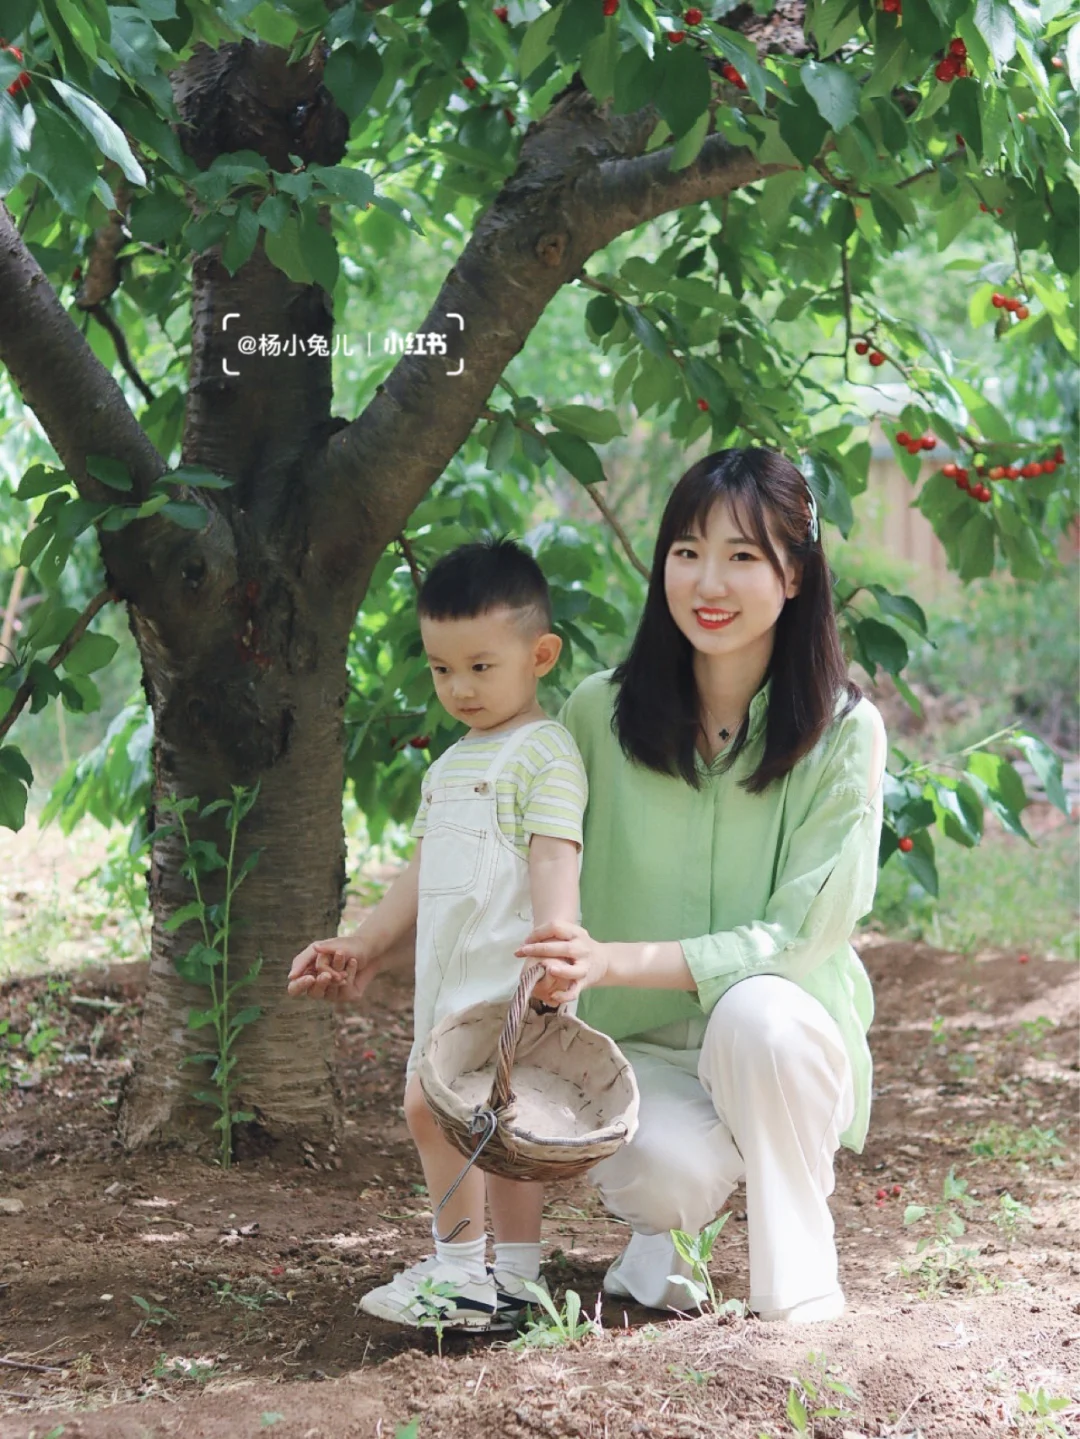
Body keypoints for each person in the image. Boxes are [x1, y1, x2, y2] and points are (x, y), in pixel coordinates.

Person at [518, 446, 887, 1324]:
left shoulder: (845, 731)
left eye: (742, 555)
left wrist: (610, 959)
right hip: (640, 1053)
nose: (708, 582)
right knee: (664, 1172)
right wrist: (371, 941)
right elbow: (507, 828)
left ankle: (798, 1278)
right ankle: (665, 1236)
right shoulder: (597, 714)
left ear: (794, 574)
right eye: (687, 551)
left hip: (781, 1038)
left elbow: (796, 938)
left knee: (756, 1014)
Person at [287, 537, 587, 1332]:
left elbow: (555, 855)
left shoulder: (546, 753)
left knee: (438, 1106)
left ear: (541, 654)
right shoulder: (448, 764)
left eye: (481, 666)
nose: (460, 687)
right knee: (488, 1124)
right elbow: (421, 877)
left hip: (510, 982)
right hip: (449, 982)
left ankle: (461, 1272)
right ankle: (515, 1282)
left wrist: (558, 946)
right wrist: (363, 942)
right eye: (442, 668)